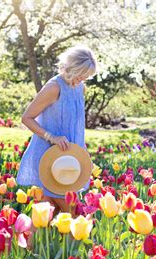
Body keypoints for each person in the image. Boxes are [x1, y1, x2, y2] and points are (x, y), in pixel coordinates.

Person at [17, 45, 97, 216]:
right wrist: (51, 137)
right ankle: (79, 242)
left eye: (86, 77)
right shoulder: (54, 87)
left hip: (70, 157)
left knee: (47, 211)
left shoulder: (80, 87)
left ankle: (24, 242)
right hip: (52, 156)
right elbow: (26, 118)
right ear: (71, 67)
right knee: (73, 211)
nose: (82, 80)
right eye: (80, 75)